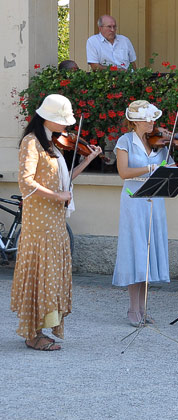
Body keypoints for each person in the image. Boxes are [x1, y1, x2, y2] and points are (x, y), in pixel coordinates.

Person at [11, 94, 102, 350]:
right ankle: (32, 333)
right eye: (62, 121)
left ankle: (40, 329)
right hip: (40, 224)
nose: (67, 126)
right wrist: (57, 196)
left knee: (50, 276)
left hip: (55, 222)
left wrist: (87, 160)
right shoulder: (31, 143)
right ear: (47, 118)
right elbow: (26, 181)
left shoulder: (51, 144)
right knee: (39, 275)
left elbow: (64, 182)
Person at [112, 100, 178, 326]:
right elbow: (123, 172)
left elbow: (174, 171)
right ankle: (132, 309)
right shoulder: (124, 141)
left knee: (148, 256)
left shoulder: (160, 145)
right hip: (133, 202)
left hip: (154, 202)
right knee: (135, 253)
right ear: (135, 121)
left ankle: (143, 309)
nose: (152, 122)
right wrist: (150, 168)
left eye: (153, 118)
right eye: (148, 119)